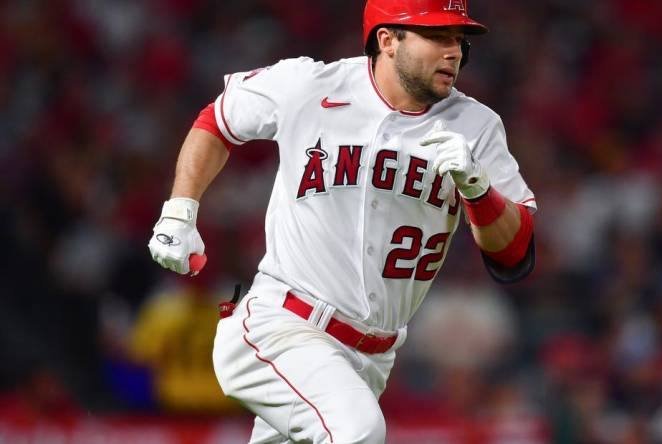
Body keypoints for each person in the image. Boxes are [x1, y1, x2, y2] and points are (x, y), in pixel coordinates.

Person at [148, 0, 537, 442]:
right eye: (437, 36)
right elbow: (217, 120)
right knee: (358, 431)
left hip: (372, 358)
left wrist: (478, 190)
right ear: (388, 40)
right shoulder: (310, 85)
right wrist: (180, 209)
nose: (454, 52)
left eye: (459, 39)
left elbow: (514, 253)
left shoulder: (477, 127)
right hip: (282, 325)